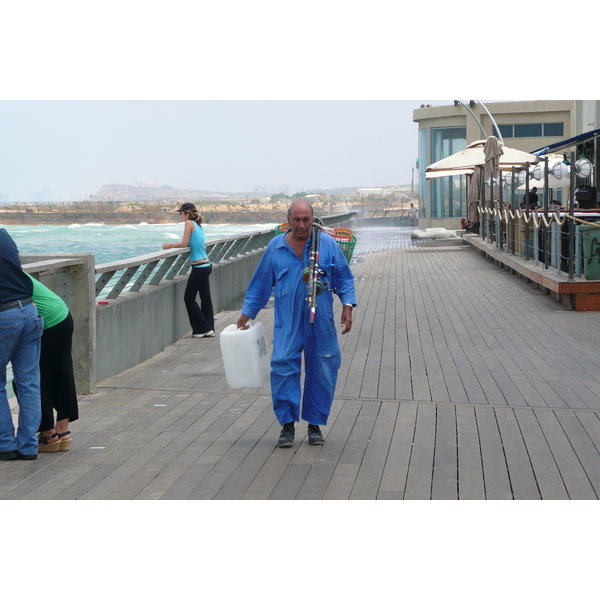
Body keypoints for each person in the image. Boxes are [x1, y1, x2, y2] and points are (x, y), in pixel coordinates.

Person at [236, 200, 356, 448]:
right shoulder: (275, 248)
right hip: (287, 322)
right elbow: (260, 283)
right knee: (282, 368)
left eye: (307, 220)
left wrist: (347, 306)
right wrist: (248, 312)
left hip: (320, 322)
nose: (302, 225)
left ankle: (315, 425)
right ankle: (287, 426)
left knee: (322, 370)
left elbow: (344, 278)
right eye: (297, 220)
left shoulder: (328, 246)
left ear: (313, 219)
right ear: (288, 220)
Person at [14, 274, 79, 452]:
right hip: (61, 314)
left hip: (47, 322)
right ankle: (62, 431)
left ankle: (48, 434)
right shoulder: (9, 264)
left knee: (30, 377)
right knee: (62, 372)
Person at [0, 228, 43, 461]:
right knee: (29, 383)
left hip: (4, 316)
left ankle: (5, 444)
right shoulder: (4, 234)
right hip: (28, 310)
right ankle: (29, 446)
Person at [163, 203, 215, 338]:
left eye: (180, 213)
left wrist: (170, 246)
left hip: (199, 268)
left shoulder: (189, 223)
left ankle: (202, 329)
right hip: (206, 265)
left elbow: (184, 244)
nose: (179, 215)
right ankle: (209, 328)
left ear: (186, 214)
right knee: (205, 297)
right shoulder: (198, 225)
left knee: (189, 298)